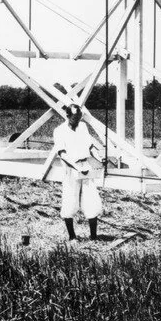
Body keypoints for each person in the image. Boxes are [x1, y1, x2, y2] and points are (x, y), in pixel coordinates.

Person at [53, 102, 105, 241]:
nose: (77, 121)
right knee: (70, 200)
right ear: (67, 115)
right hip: (71, 169)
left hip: (86, 166)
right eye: (74, 118)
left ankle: (93, 237)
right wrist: (76, 167)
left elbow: (90, 146)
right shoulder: (59, 131)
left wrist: (99, 158)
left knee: (91, 199)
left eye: (79, 118)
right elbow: (62, 154)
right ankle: (72, 237)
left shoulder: (83, 126)